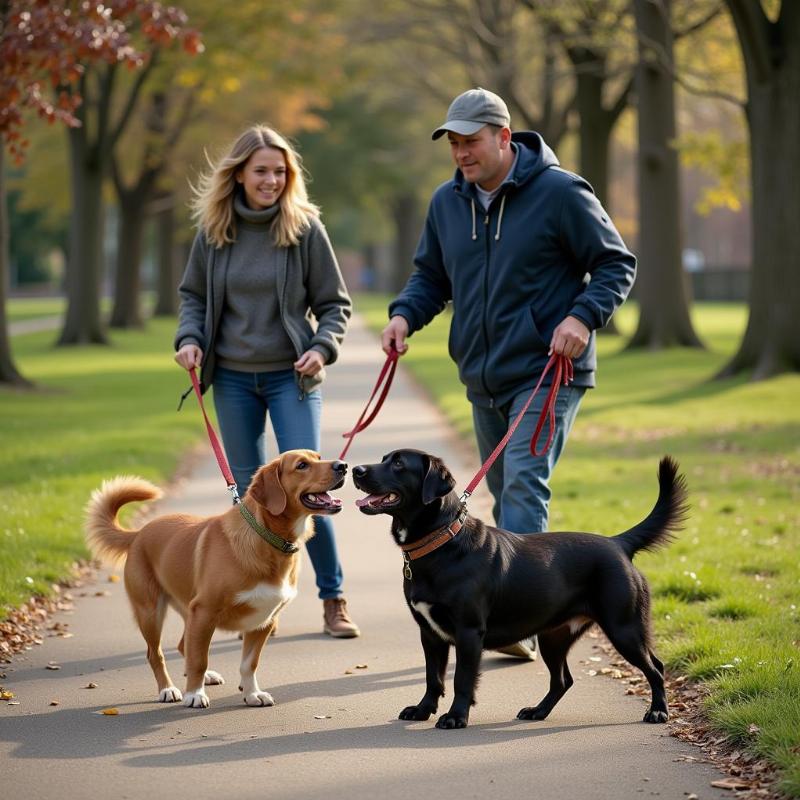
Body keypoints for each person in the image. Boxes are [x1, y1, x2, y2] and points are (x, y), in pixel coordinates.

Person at [381, 88, 636, 658]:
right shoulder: (447, 203)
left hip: (548, 373)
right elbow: (431, 277)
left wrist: (582, 317)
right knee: (500, 494)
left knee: (522, 484)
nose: (461, 154)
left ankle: (507, 620)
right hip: (482, 378)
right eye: (453, 143)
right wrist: (404, 315)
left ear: (503, 136)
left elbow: (616, 262)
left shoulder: (561, 193)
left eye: (470, 141)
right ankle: (518, 607)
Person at [174, 124, 360, 638]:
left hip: (291, 379)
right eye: (262, 171)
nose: (272, 180)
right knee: (250, 492)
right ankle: (251, 598)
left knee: (310, 488)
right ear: (238, 174)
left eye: (280, 171)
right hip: (232, 377)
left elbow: (333, 305)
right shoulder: (214, 232)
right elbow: (192, 297)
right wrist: (190, 339)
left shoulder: (303, 227)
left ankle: (333, 598)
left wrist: (321, 348)